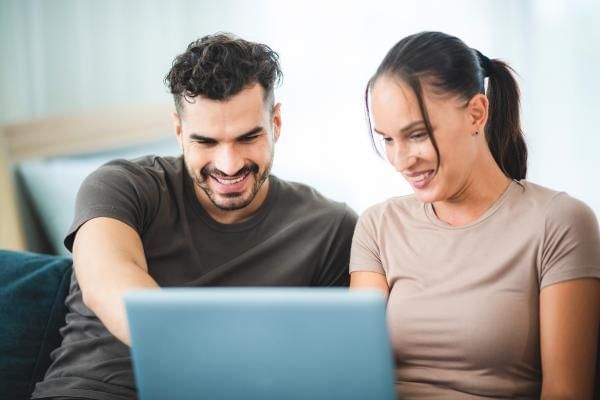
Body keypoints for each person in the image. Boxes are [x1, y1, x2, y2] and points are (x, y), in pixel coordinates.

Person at [32, 33, 357, 400]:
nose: (229, 165)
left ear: (276, 123)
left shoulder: (332, 229)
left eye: (248, 137)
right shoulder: (120, 187)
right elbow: (107, 288)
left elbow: (340, 364)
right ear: (178, 131)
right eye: (205, 142)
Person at [350, 31, 600, 399]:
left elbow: (567, 391)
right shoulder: (378, 226)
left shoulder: (560, 222)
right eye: (387, 139)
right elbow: (357, 372)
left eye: (417, 134)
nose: (401, 160)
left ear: (476, 114)